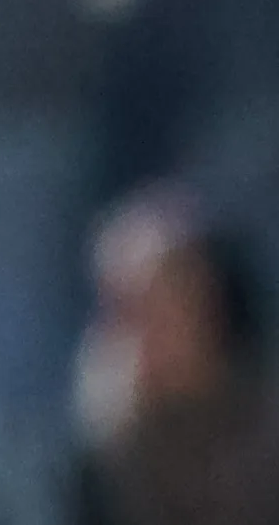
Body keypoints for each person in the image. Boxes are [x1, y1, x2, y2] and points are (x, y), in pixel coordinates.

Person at [72, 199, 279, 525]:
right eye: (130, 313)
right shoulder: (108, 463)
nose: (147, 334)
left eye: (165, 307)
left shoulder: (266, 429)